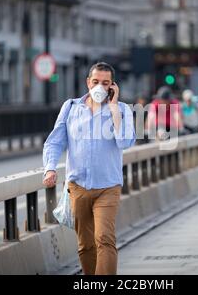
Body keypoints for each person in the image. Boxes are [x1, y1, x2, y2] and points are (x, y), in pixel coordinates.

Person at [42, 62, 136, 275]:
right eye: (95, 82)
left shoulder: (122, 110)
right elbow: (55, 142)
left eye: (105, 83)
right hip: (78, 187)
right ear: (88, 82)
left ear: (112, 85)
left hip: (108, 187)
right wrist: (50, 168)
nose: (99, 87)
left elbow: (125, 142)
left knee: (105, 239)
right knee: (86, 245)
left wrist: (113, 108)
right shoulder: (71, 107)